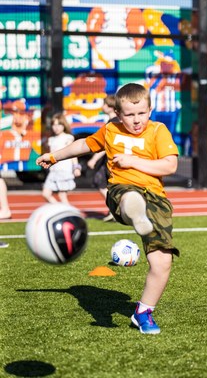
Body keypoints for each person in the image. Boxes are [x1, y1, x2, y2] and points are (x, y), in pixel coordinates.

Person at [36, 83, 179, 334]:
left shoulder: (159, 130)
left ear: (150, 110)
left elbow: (169, 166)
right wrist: (55, 156)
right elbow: (83, 145)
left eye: (142, 113)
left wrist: (134, 161)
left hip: (156, 198)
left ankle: (143, 313)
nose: (136, 120)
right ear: (117, 114)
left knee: (162, 262)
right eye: (129, 115)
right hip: (121, 189)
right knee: (129, 198)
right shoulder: (110, 129)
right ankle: (135, 212)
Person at [87, 95, 119, 221]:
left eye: (105, 104)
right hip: (107, 159)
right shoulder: (111, 121)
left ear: (110, 107)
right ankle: (114, 209)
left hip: (110, 159)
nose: (102, 106)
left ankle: (115, 209)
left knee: (104, 183)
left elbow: (106, 144)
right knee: (99, 182)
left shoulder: (113, 122)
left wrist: (94, 159)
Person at [42, 113, 82, 205]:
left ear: (64, 125)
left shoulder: (68, 138)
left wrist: (76, 167)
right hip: (54, 170)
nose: (56, 127)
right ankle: (60, 209)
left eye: (59, 125)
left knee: (62, 195)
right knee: (46, 193)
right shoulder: (51, 139)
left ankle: (68, 214)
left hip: (64, 169)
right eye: (54, 125)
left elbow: (73, 153)